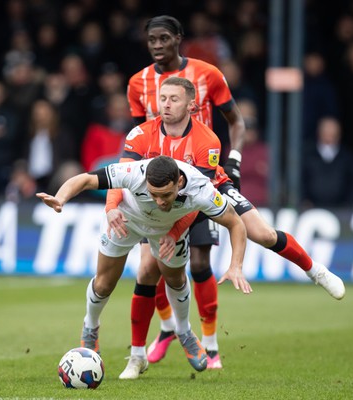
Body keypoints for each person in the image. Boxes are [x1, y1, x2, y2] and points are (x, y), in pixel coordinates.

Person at [107, 77, 346, 379]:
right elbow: (115, 174)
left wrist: (174, 232)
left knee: (262, 234)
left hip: (208, 194)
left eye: (173, 99)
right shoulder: (143, 133)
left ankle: (315, 271)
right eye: (162, 99)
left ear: (192, 105)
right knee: (146, 270)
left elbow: (198, 201)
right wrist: (112, 207)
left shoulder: (207, 140)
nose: (165, 105)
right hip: (161, 203)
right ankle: (154, 340)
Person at [36, 155, 250, 375]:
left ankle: (184, 331)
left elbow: (236, 223)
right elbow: (84, 179)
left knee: (175, 279)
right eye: (153, 195)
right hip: (125, 222)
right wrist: (61, 199)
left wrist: (236, 265)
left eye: (165, 195)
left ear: (179, 182)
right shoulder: (134, 172)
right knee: (103, 284)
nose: (159, 202)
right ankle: (90, 328)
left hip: (167, 231)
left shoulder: (201, 189)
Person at [118, 15, 245, 370]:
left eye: (163, 39)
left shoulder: (208, 74)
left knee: (201, 262)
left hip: (199, 177)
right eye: (151, 41)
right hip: (158, 186)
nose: (157, 46)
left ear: (178, 39)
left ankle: (210, 343)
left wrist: (232, 161)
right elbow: (139, 134)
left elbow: (236, 121)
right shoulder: (137, 82)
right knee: (151, 265)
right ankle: (166, 328)